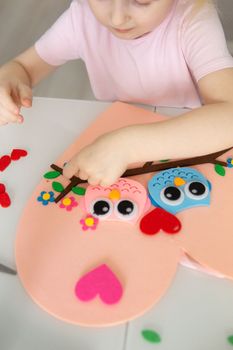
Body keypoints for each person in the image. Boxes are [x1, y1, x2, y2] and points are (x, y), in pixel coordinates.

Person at [0, 0, 232, 187]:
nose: (117, 18)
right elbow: (23, 67)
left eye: (142, 1)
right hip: (113, 145)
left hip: (185, 141)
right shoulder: (81, 17)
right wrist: (9, 78)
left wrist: (127, 146)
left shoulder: (192, 17)